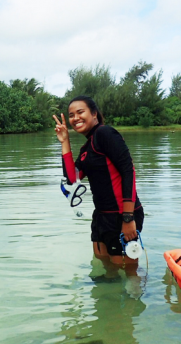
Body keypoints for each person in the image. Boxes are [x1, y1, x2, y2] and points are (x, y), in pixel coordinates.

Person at [53, 95, 144, 270]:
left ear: (94, 114)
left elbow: (128, 171)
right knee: (106, 270)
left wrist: (128, 217)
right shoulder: (88, 148)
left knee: (128, 271)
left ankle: (135, 295)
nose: (75, 118)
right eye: (71, 115)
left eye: (80, 112)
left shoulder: (105, 133)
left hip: (121, 215)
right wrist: (65, 141)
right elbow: (73, 179)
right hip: (101, 216)